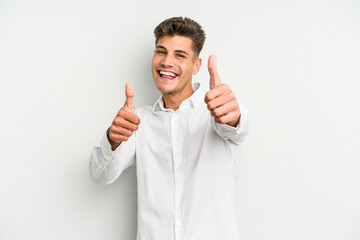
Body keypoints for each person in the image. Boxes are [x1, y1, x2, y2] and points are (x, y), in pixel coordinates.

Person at [89, 17, 249, 240]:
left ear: (196, 66)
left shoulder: (217, 110)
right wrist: (112, 139)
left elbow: (234, 125)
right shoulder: (138, 121)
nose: (166, 61)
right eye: (161, 52)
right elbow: (99, 175)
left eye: (180, 55)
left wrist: (231, 116)